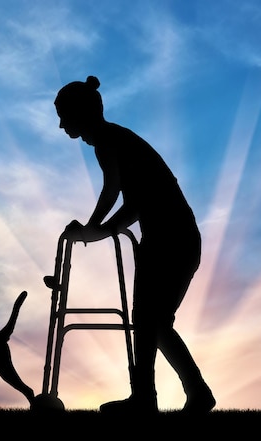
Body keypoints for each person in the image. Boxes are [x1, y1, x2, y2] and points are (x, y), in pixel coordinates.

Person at [54, 75, 215, 415]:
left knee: (152, 321)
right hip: (161, 240)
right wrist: (92, 227)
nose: (60, 125)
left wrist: (96, 231)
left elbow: (135, 203)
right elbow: (112, 191)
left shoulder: (113, 141)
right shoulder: (107, 143)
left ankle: (178, 395)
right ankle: (156, 397)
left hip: (174, 241)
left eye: (64, 116)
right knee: (148, 322)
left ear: (81, 114)